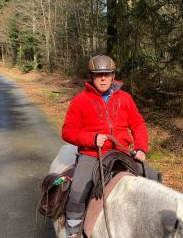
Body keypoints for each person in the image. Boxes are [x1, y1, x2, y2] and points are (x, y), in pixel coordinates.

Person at [61, 54, 159, 238]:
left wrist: (141, 148)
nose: (103, 78)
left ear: (113, 76)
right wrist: (92, 138)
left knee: (153, 177)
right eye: (99, 75)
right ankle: (73, 230)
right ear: (91, 77)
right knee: (79, 187)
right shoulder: (79, 101)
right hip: (92, 154)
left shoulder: (126, 99)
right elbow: (67, 131)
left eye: (107, 74)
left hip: (121, 152)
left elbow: (138, 124)